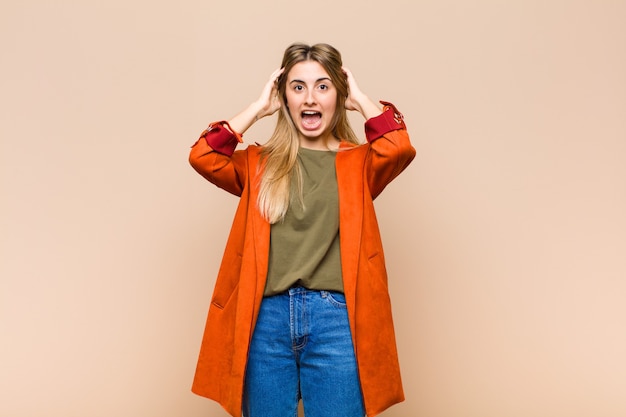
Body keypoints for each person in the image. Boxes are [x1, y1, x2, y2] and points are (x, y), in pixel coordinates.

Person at [189, 42, 415, 417]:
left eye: (323, 86)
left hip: (337, 322)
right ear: (285, 98)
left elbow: (398, 148)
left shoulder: (359, 164)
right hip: (266, 321)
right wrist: (259, 109)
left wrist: (359, 99)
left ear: (337, 96)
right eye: (298, 87)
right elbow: (204, 156)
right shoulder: (259, 164)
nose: (310, 97)